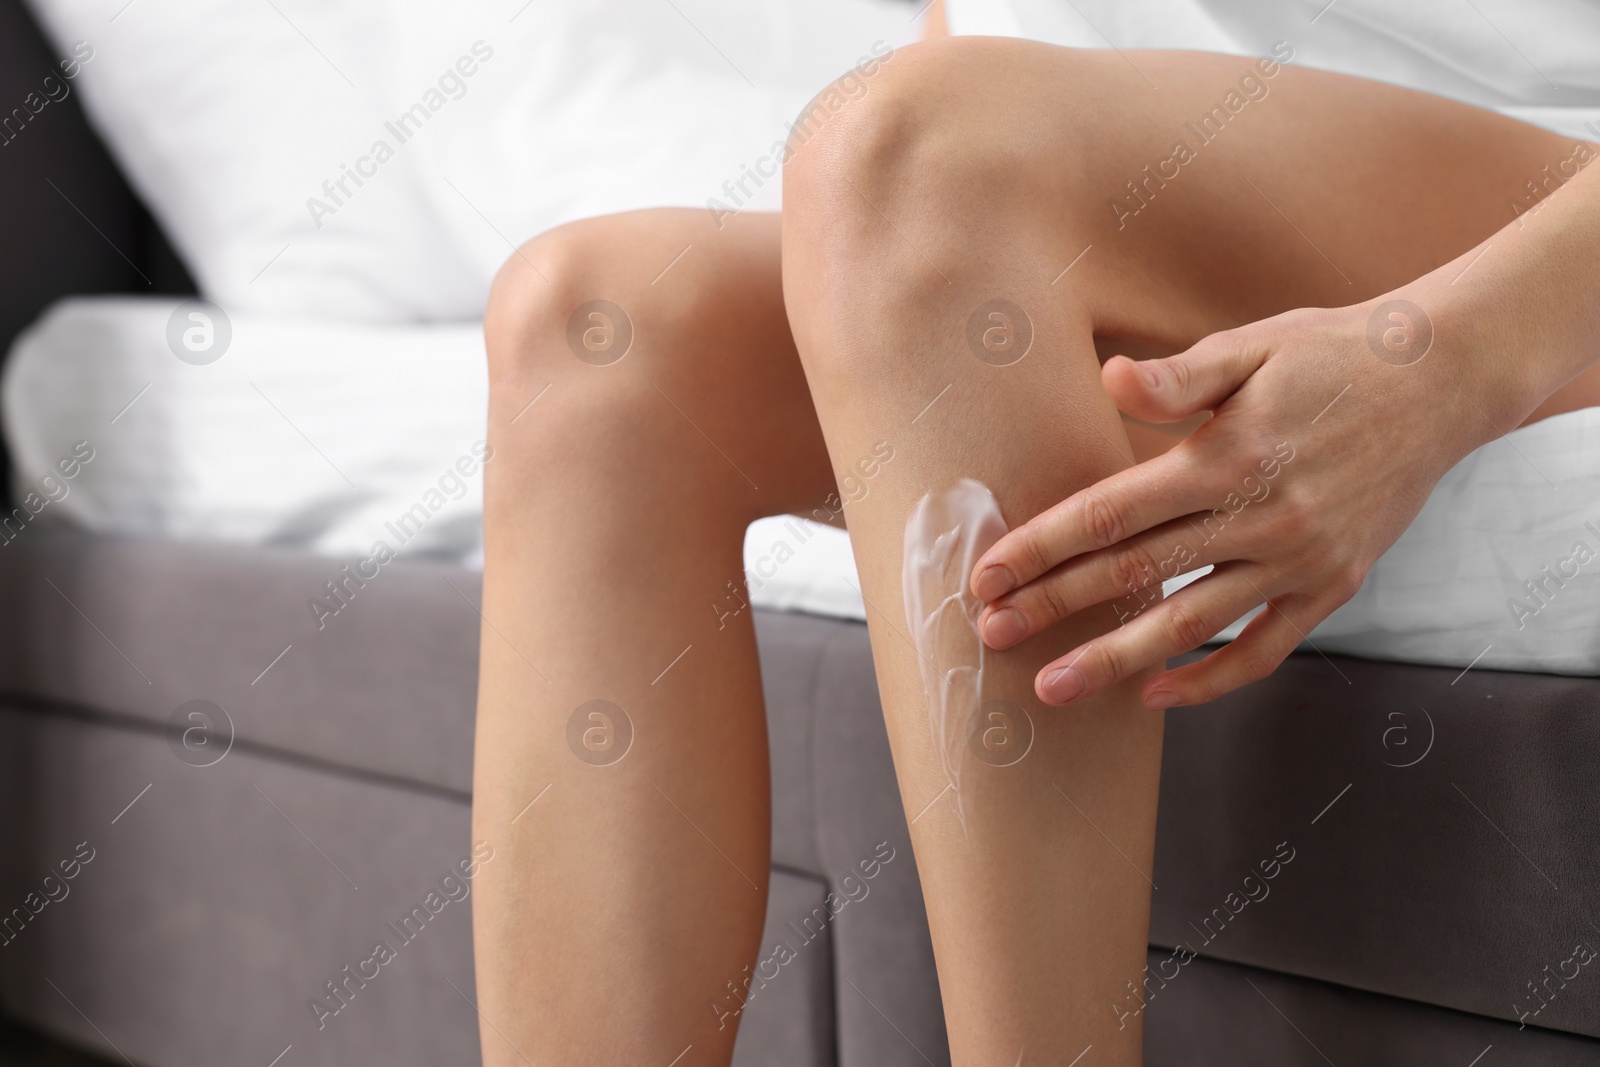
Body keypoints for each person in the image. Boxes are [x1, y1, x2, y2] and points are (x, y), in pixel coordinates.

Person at [467, 2, 1600, 1063]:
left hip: (1530, 221)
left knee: (914, 149)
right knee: (588, 331)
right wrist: (906, 286)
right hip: (1032, 202)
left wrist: (1442, 363)